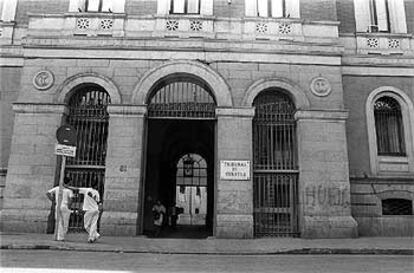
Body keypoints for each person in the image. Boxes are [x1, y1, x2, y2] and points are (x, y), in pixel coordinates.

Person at [46, 177, 74, 241]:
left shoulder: (57, 188)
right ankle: (62, 236)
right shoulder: (69, 191)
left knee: (59, 222)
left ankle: (59, 236)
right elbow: (70, 200)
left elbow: (47, 193)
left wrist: (53, 200)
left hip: (58, 206)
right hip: (65, 206)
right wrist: (69, 206)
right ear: (69, 182)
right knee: (65, 222)